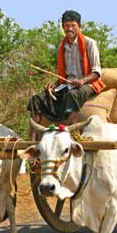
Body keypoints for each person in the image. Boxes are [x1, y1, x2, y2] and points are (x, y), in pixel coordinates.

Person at [27, 10, 105, 141]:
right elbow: (64, 76)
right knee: (37, 99)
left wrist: (82, 81)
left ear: (79, 26)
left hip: (87, 84)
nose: (70, 29)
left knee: (72, 95)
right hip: (67, 85)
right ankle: (32, 140)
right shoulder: (61, 47)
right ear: (63, 27)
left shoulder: (89, 43)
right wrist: (54, 84)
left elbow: (96, 72)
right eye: (67, 26)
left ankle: (70, 136)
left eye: (73, 25)